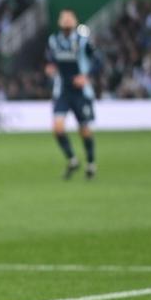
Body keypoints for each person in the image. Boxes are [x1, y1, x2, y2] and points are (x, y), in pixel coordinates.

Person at [45, 10, 98, 180]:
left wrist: (86, 77)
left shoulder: (83, 41)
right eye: (65, 28)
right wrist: (51, 67)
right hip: (63, 90)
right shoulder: (54, 41)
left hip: (81, 92)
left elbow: (97, 61)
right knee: (57, 128)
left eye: (69, 28)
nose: (67, 30)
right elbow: (52, 59)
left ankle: (90, 163)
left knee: (84, 130)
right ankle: (72, 159)